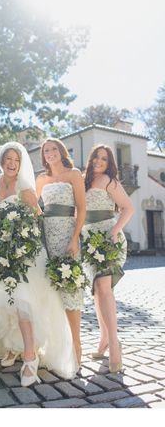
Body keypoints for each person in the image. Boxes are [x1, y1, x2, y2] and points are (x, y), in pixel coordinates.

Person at [0, 142, 78, 385]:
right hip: (1, 248)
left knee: (23, 302)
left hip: (24, 250)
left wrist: (19, 237)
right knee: (0, 301)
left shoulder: (25, 187)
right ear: (2, 161)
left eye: (16, 160)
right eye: (8, 159)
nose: (12, 163)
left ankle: (30, 357)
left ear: (20, 163)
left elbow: (37, 216)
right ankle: (13, 346)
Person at [81, 144, 133, 372]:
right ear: (91, 159)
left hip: (107, 239)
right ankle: (103, 340)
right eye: (96, 157)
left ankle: (114, 344)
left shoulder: (109, 181)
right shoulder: (83, 181)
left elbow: (128, 208)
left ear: (109, 162)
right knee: (97, 290)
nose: (99, 161)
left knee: (104, 288)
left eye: (104, 158)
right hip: (88, 239)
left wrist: (113, 232)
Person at [36, 138, 87, 365]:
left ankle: (76, 344)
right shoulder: (41, 179)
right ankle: (55, 346)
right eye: (46, 150)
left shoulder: (74, 174)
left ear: (61, 151)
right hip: (46, 237)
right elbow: (33, 204)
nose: (50, 153)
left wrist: (75, 238)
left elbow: (82, 208)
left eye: (53, 149)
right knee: (49, 289)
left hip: (67, 235)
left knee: (70, 288)